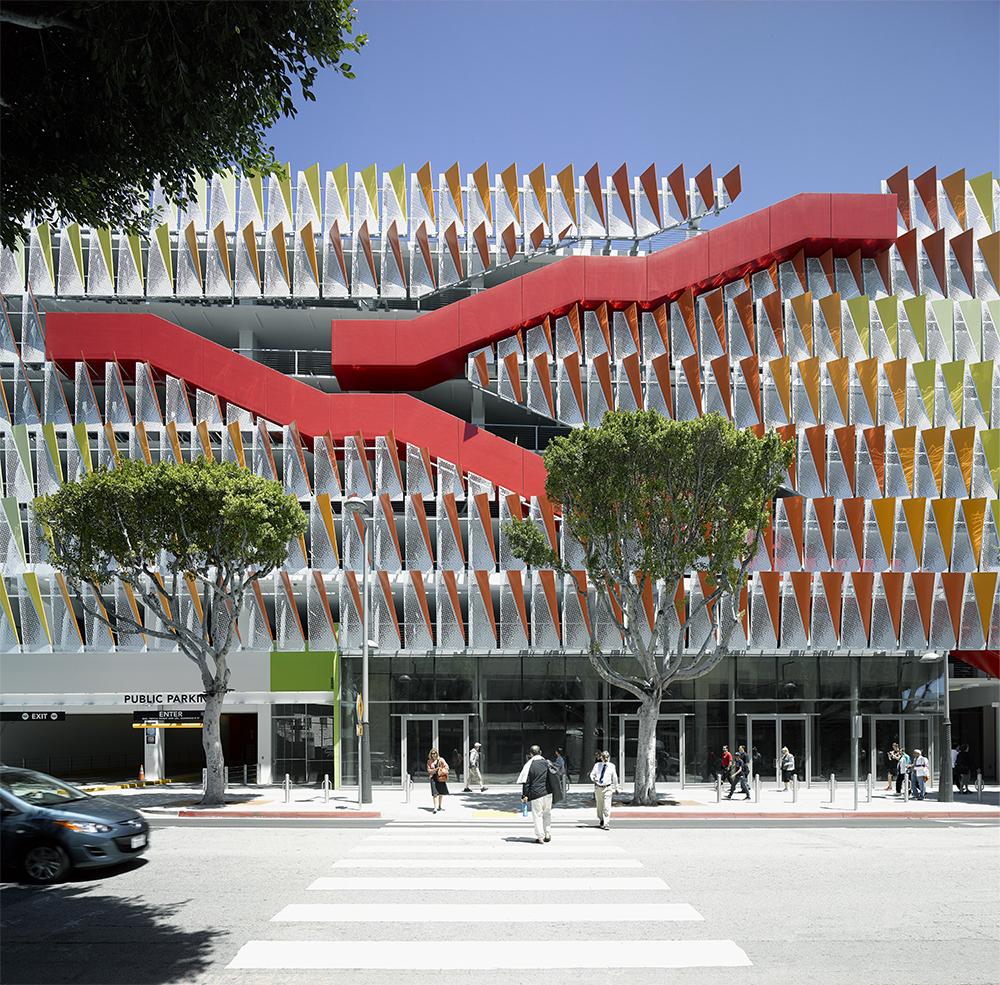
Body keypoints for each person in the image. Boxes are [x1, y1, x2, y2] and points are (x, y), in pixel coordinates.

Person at [518, 745, 553, 844]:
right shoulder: (547, 763)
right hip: (548, 793)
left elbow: (526, 781)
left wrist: (524, 795)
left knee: (537, 815)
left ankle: (540, 837)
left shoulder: (529, 765)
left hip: (536, 794)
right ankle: (548, 834)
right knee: (547, 814)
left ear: (530, 754)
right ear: (540, 752)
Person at [590, 750, 619, 829]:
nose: (605, 759)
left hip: (608, 788)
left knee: (607, 806)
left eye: (607, 757)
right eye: (604, 757)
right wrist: (593, 778)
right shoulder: (597, 765)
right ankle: (601, 819)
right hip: (598, 788)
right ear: (601, 758)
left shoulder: (612, 766)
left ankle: (606, 822)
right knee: (599, 806)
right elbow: (592, 774)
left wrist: (616, 787)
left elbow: (615, 777)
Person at [426, 748, 449, 813]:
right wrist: (435, 770)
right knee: (435, 794)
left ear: (437, 753)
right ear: (430, 754)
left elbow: (447, 766)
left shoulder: (441, 759)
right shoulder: (429, 761)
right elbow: (429, 771)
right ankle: (435, 808)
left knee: (440, 793)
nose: (433, 755)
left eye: (435, 753)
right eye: (432, 753)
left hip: (440, 777)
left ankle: (439, 806)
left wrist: (442, 769)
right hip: (433, 778)